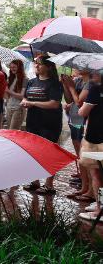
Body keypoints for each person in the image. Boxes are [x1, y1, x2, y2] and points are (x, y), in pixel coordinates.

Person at [21, 55, 63, 195]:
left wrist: (32, 103)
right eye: (35, 64)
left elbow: (54, 104)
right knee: (33, 152)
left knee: (49, 153)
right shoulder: (32, 82)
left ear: (49, 66)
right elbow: (26, 96)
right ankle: (35, 180)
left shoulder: (54, 83)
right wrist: (25, 101)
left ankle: (49, 185)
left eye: (39, 64)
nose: (36, 66)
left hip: (50, 123)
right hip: (33, 122)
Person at [62, 69, 92, 200]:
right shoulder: (79, 80)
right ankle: (84, 186)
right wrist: (65, 84)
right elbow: (70, 99)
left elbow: (79, 102)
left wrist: (71, 87)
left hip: (84, 121)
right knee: (79, 153)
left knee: (85, 154)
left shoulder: (90, 83)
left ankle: (90, 188)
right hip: (74, 118)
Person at [77, 72, 103, 221]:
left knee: (96, 174)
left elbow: (82, 112)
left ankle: (99, 210)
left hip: (95, 138)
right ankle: (100, 204)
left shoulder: (96, 89)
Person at [4, 59, 27, 130]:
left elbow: (22, 96)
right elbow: (6, 94)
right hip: (9, 107)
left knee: (13, 131)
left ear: (19, 67)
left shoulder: (25, 79)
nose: (12, 69)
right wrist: (7, 100)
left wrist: (8, 91)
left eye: (14, 67)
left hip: (18, 108)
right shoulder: (10, 78)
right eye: (11, 67)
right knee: (8, 131)